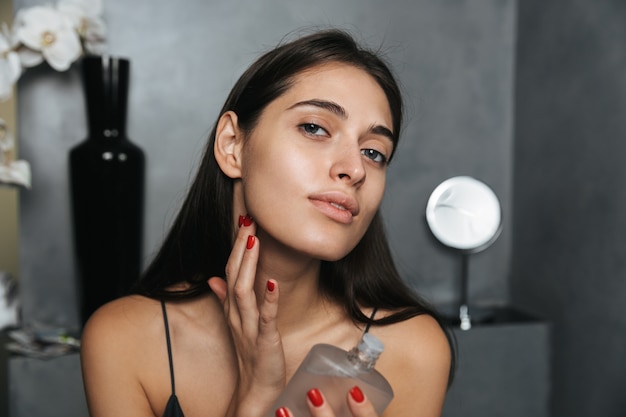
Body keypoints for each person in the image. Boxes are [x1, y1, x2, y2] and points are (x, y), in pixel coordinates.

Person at [80, 28, 454, 417]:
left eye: (374, 152)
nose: (354, 169)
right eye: (315, 128)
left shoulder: (412, 350)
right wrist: (254, 396)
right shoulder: (123, 341)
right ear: (232, 145)